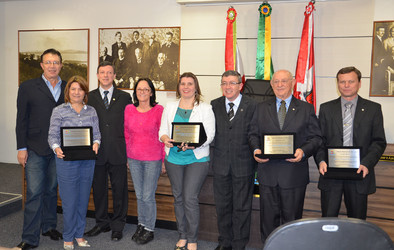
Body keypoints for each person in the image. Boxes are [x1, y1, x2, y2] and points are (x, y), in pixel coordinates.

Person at [249, 69, 322, 243]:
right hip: (268, 173)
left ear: (293, 83)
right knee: (267, 220)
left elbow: (316, 137)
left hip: (294, 174)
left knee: (292, 221)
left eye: (284, 81)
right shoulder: (260, 108)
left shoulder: (306, 108)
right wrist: (256, 150)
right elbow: (252, 134)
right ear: (272, 85)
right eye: (276, 82)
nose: (280, 85)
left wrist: (303, 151)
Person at [314, 66, 386, 219]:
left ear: (359, 83)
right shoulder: (326, 108)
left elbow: (378, 142)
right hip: (331, 173)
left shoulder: (373, 109)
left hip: (359, 172)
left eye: (351, 81)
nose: (346, 85)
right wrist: (320, 160)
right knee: (328, 219)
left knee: (357, 221)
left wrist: (367, 163)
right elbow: (319, 140)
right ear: (337, 84)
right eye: (342, 82)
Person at [15, 48, 66, 250]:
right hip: (35, 147)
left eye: (56, 62)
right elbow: (21, 120)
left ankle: (49, 226)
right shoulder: (27, 87)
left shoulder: (68, 87)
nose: (52, 66)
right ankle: (29, 237)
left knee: (52, 190)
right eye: (48, 62)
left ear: (61, 65)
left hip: (58, 149)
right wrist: (21, 147)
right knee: (35, 192)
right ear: (41, 65)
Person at [159, 72, 215, 250]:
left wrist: (194, 145)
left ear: (196, 87)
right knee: (178, 198)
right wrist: (165, 138)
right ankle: (182, 235)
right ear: (179, 87)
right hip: (174, 158)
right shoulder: (170, 106)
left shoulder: (205, 108)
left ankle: (192, 239)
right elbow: (162, 130)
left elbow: (210, 135)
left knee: (190, 197)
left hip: (196, 158)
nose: (186, 87)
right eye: (182, 84)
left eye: (190, 84)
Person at [48, 76, 101, 250]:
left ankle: (79, 235)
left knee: (83, 199)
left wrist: (96, 143)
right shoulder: (59, 111)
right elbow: (52, 136)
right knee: (69, 200)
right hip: (66, 160)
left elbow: (97, 135)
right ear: (68, 92)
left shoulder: (91, 111)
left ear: (85, 92)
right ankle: (68, 236)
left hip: (87, 161)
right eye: (73, 89)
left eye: (80, 89)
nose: (76, 92)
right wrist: (56, 148)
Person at [84, 61, 132, 241]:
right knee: (99, 189)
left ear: (114, 75)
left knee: (120, 190)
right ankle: (101, 223)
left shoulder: (125, 97)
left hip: (119, 151)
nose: (105, 75)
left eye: (109, 72)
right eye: (102, 72)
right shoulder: (89, 97)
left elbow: (129, 126)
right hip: (96, 152)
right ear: (97, 76)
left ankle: (118, 226)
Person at [210, 70, 257, 250]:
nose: (227, 87)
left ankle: (239, 244)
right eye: (224, 83)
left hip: (243, 165)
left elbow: (255, 133)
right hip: (220, 165)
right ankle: (225, 242)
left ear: (240, 85)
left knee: (242, 208)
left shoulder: (253, 105)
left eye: (231, 83)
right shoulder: (214, 105)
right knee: (222, 207)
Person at [124, 78, 165, 245]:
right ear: (135, 92)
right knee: (140, 195)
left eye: (145, 89)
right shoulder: (128, 109)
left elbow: (163, 135)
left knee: (148, 195)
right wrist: (127, 156)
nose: (142, 92)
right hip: (133, 158)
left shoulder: (159, 110)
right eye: (139, 89)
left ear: (151, 92)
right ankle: (141, 224)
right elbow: (126, 134)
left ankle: (149, 228)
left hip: (153, 159)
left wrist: (163, 160)